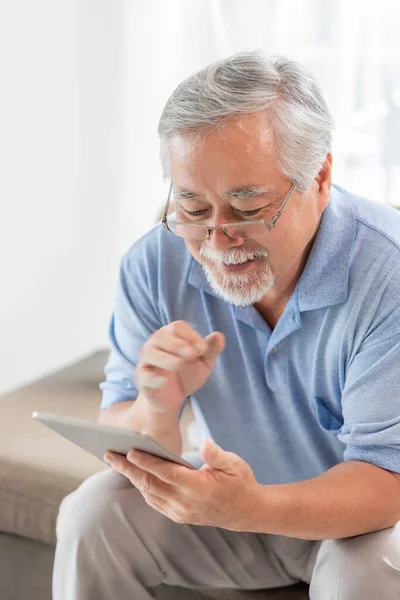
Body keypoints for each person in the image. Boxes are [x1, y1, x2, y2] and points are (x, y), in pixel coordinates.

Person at [53, 50, 400, 600]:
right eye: (193, 208)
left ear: (321, 177)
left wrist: (249, 508)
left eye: (246, 207)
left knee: (360, 565)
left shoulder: (390, 274)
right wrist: (157, 406)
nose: (216, 240)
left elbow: (388, 482)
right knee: (93, 512)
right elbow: (122, 431)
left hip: (371, 522)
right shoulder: (156, 263)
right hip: (247, 505)